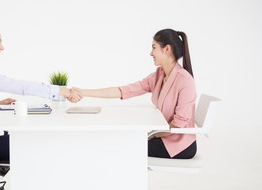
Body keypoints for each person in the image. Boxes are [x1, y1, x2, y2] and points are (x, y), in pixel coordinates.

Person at [0, 24, 80, 164]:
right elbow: (21, 86)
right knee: (26, 142)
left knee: (25, 139)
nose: (2, 47)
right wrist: (60, 90)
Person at [71, 29, 197, 159]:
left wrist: (152, 134)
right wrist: (84, 92)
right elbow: (124, 90)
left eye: (154, 48)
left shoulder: (184, 80)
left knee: (125, 144)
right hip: (163, 136)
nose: (150, 53)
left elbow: (177, 125)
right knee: (122, 139)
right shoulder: (159, 76)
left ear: (167, 49)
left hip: (178, 145)